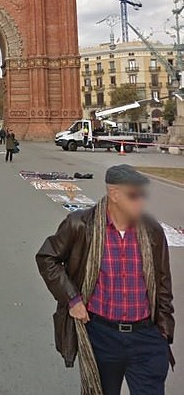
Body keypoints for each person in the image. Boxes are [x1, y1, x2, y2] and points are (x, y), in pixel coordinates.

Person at [35, 165, 174, 395]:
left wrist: (163, 333)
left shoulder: (151, 230)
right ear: (114, 194)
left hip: (146, 337)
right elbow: (47, 258)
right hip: (102, 336)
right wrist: (72, 299)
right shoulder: (81, 224)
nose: (140, 202)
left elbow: (163, 282)